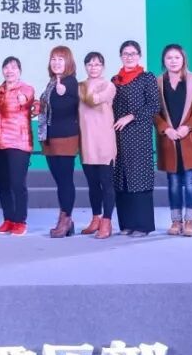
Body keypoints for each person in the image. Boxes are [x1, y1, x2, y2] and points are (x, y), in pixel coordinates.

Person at [154, 44, 192, 237]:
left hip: (190, 138)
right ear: (164, 61)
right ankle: (176, 221)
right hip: (169, 139)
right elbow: (153, 111)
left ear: (183, 59)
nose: (173, 61)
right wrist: (166, 129)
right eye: (169, 58)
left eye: (176, 57)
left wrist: (187, 127)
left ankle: (190, 221)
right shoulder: (158, 82)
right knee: (173, 183)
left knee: (191, 181)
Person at [111, 40, 159, 237]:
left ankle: (142, 225)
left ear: (139, 56)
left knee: (139, 179)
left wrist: (131, 116)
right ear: (120, 56)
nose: (129, 57)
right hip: (117, 136)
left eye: (133, 53)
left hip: (139, 135)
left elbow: (154, 105)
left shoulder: (147, 78)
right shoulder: (115, 80)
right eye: (125, 53)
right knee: (121, 179)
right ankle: (126, 224)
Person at [39, 46, 81, 238]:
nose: (56, 63)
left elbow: (69, 108)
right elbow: (49, 108)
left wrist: (64, 94)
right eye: (53, 59)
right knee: (59, 181)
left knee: (65, 181)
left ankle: (65, 219)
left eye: (61, 59)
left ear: (68, 62)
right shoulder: (52, 82)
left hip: (65, 137)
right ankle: (66, 219)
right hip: (49, 138)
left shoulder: (70, 82)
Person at [0, 56, 36, 236]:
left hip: (19, 143)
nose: (9, 71)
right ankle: (8, 219)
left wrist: (26, 100)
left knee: (17, 184)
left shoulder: (26, 88)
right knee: (3, 184)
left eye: (13, 67)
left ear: (19, 71)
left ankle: (20, 221)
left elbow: (32, 101)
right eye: (6, 67)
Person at [78, 51, 117, 239]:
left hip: (104, 140)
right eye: (90, 64)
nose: (93, 67)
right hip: (86, 141)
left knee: (106, 183)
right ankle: (95, 218)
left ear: (103, 67)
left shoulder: (109, 85)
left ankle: (107, 221)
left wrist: (83, 90)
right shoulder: (79, 85)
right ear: (85, 66)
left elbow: (93, 100)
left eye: (97, 64)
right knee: (92, 184)